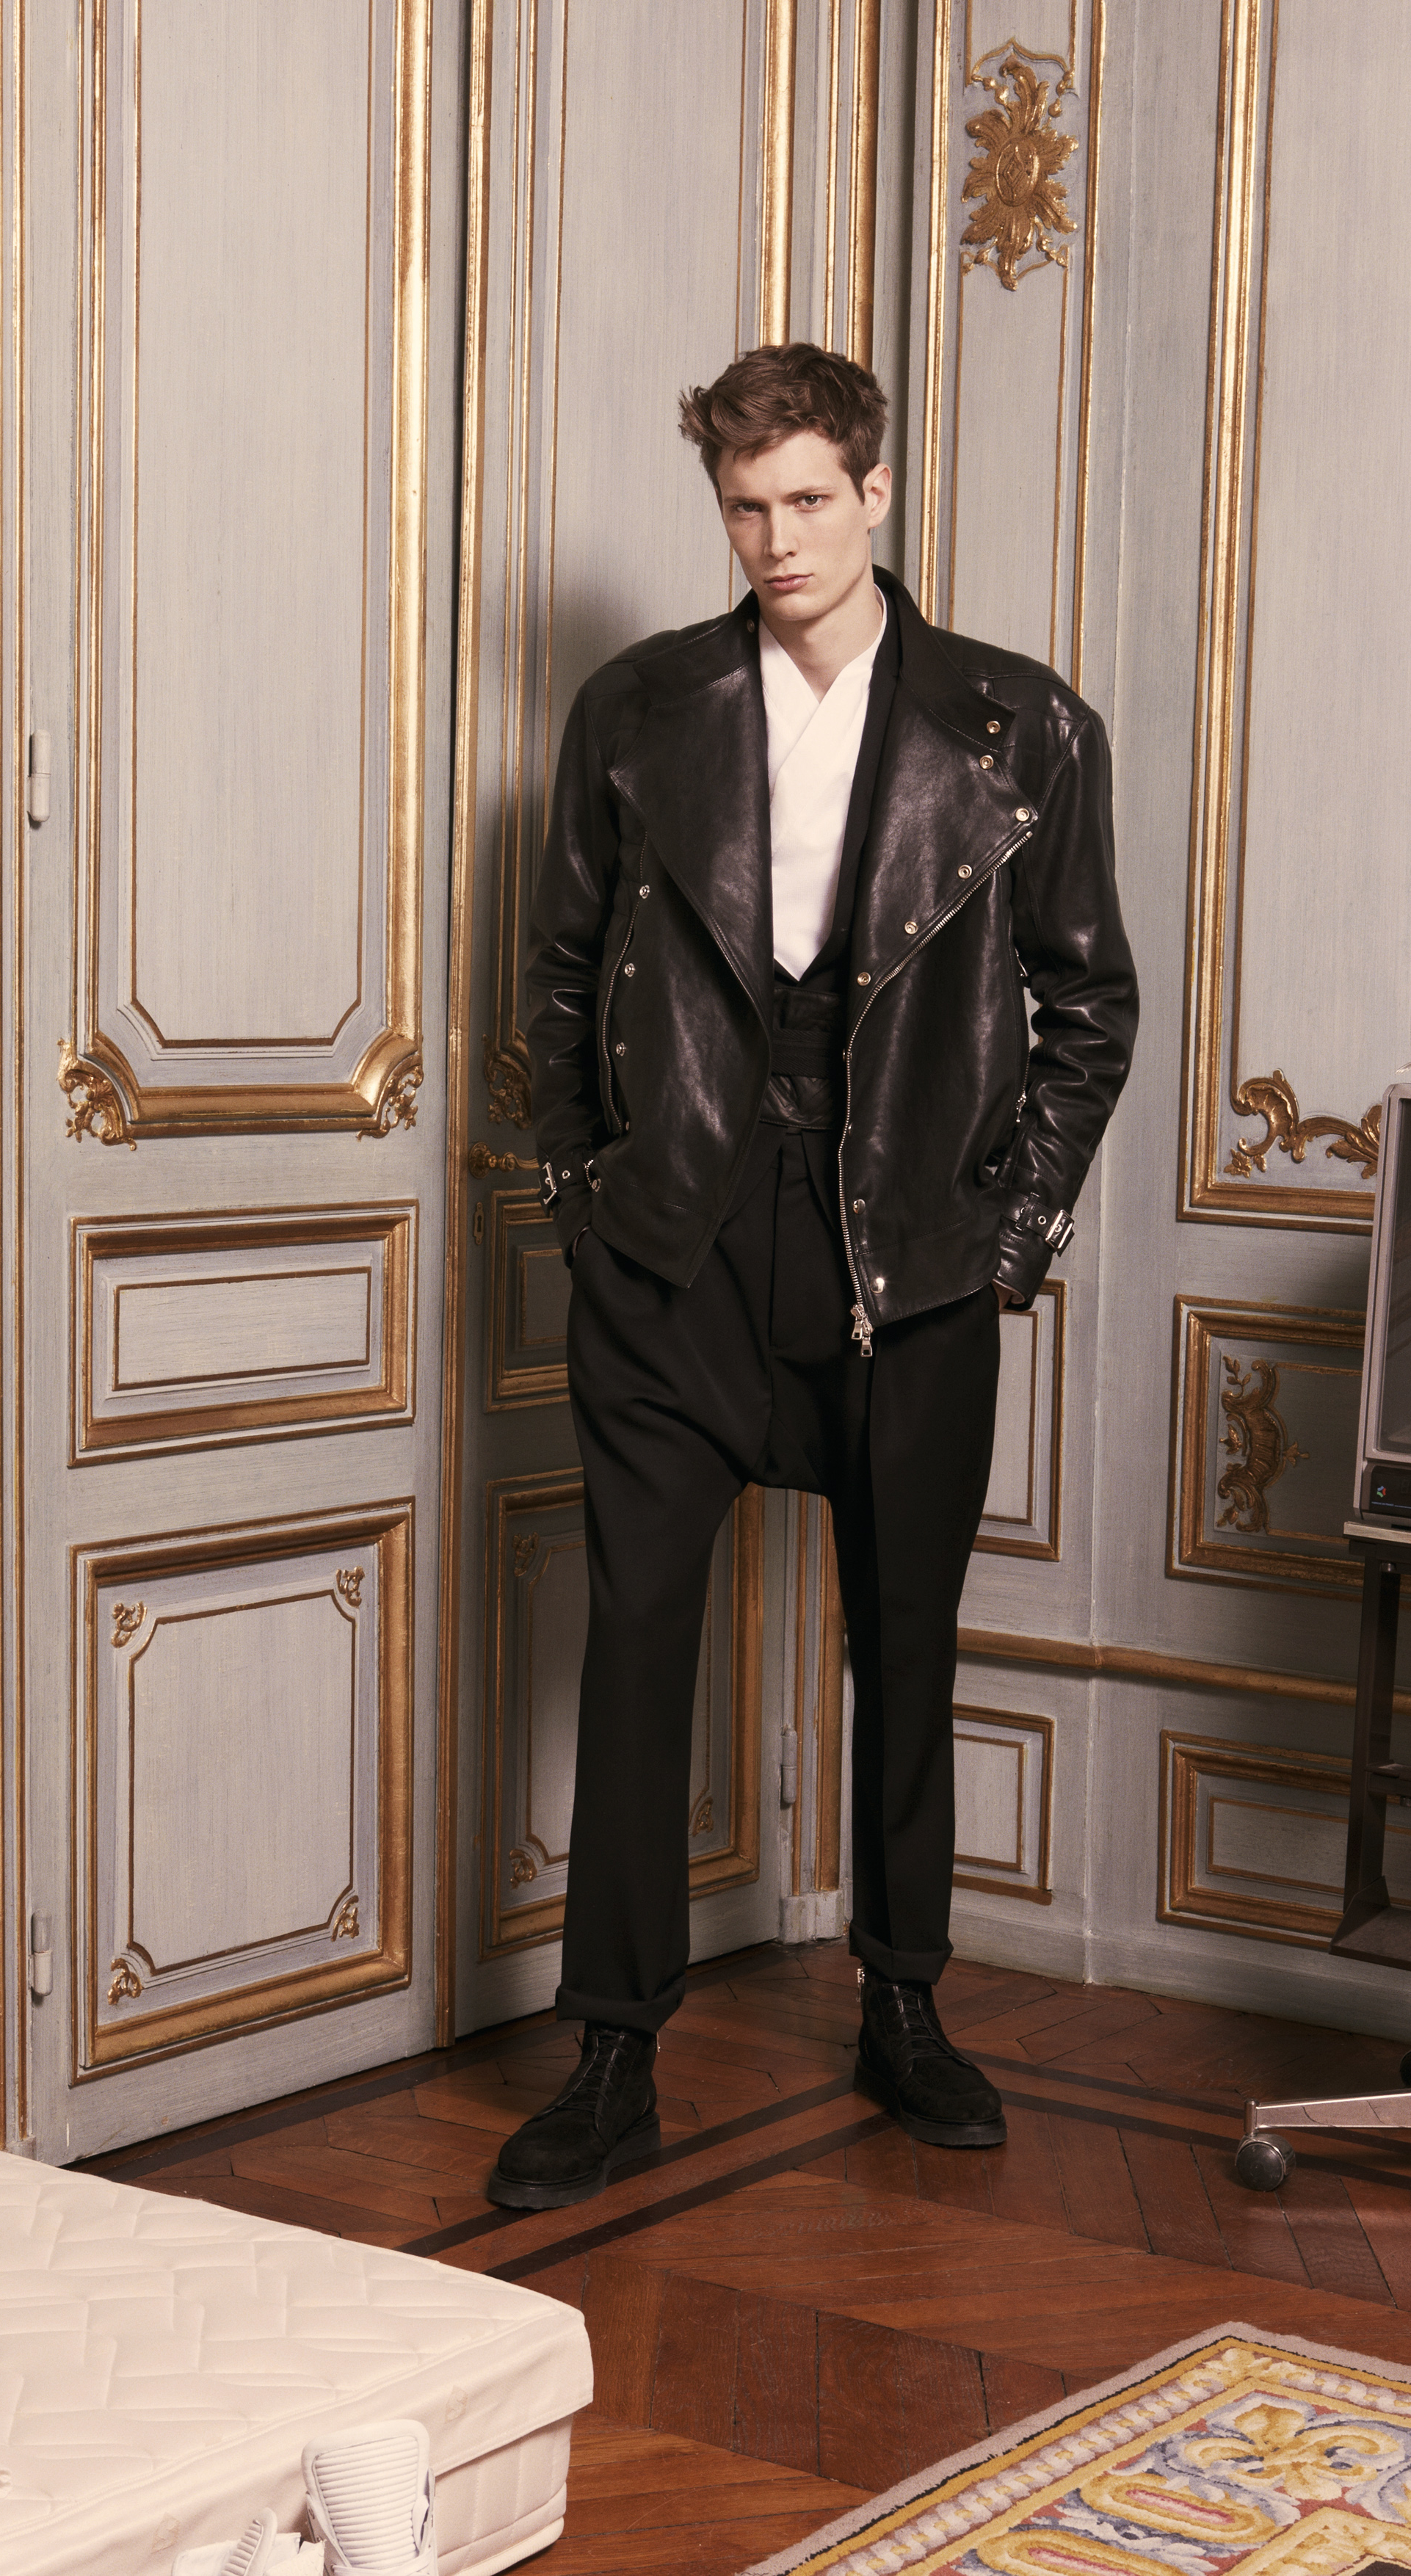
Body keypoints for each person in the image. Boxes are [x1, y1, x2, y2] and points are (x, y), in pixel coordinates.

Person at [487, 342, 1137, 2210]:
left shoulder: (1021, 727)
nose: (774, 540)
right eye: (741, 508)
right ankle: (612, 2052)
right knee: (636, 1647)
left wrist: (1008, 1236)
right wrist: (585, 1193)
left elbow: (1090, 1003)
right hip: (673, 1241)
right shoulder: (638, 708)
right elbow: (557, 971)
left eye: (803, 501)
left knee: (906, 1642)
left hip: (907, 1249)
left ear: (874, 492)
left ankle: (904, 2008)